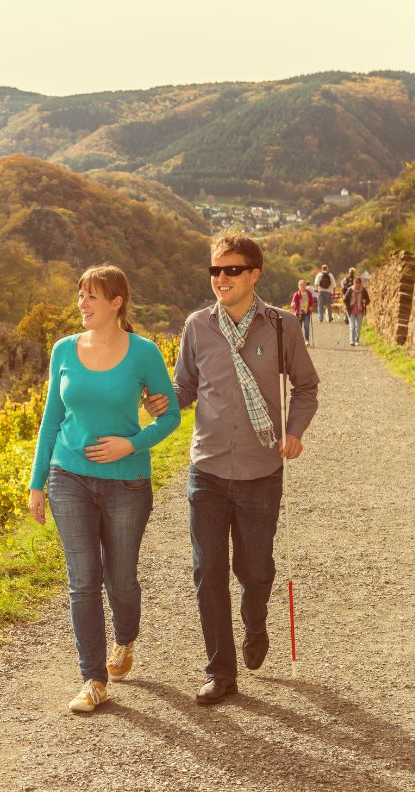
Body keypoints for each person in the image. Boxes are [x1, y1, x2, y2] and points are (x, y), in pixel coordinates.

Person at [145, 232, 318, 705]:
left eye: (232, 270)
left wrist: (295, 432)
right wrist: (158, 401)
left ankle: (256, 617)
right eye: (215, 271)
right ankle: (220, 672)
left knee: (255, 569)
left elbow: (306, 387)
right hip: (208, 469)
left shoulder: (282, 327)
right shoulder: (198, 326)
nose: (221, 278)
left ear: (254, 274)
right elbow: (184, 388)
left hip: (262, 470)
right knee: (208, 570)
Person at [28, 264, 181, 713]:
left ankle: (126, 639)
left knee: (121, 578)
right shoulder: (63, 350)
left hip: (127, 483)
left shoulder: (144, 352)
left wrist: (130, 445)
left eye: (92, 296)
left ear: (117, 303)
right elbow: (51, 420)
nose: (82, 304)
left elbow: (169, 416)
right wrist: (38, 482)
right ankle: (92, 680)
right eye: (80, 295)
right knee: (82, 582)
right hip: (68, 475)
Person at [344, 276, 370, 346]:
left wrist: (365, 301)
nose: (357, 285)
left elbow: (368, 300)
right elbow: (345, 300)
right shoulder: (350, 290)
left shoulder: (363, 290)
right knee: (352, 326)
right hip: (351, 311)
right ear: (354, 283)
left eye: (359, 283)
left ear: (361, 283)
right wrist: (347, 307)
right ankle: (351, 341)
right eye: (356, 283)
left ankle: (356, 340)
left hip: (360, 311)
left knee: (358, 327)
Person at [290, 280, 314, 346]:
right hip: (298, 314)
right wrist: (293, 304)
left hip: (306, 313)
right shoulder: (297, 294)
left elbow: (312, 303)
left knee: (306, 326)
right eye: (301, 285)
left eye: (303, 284)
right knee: (299, 328)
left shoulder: (309, 293)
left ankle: (307, 340)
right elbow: (292, 302)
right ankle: (301, 340)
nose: (302, 286)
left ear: (306, 285)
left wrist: (311, 307)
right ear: (298, 286)